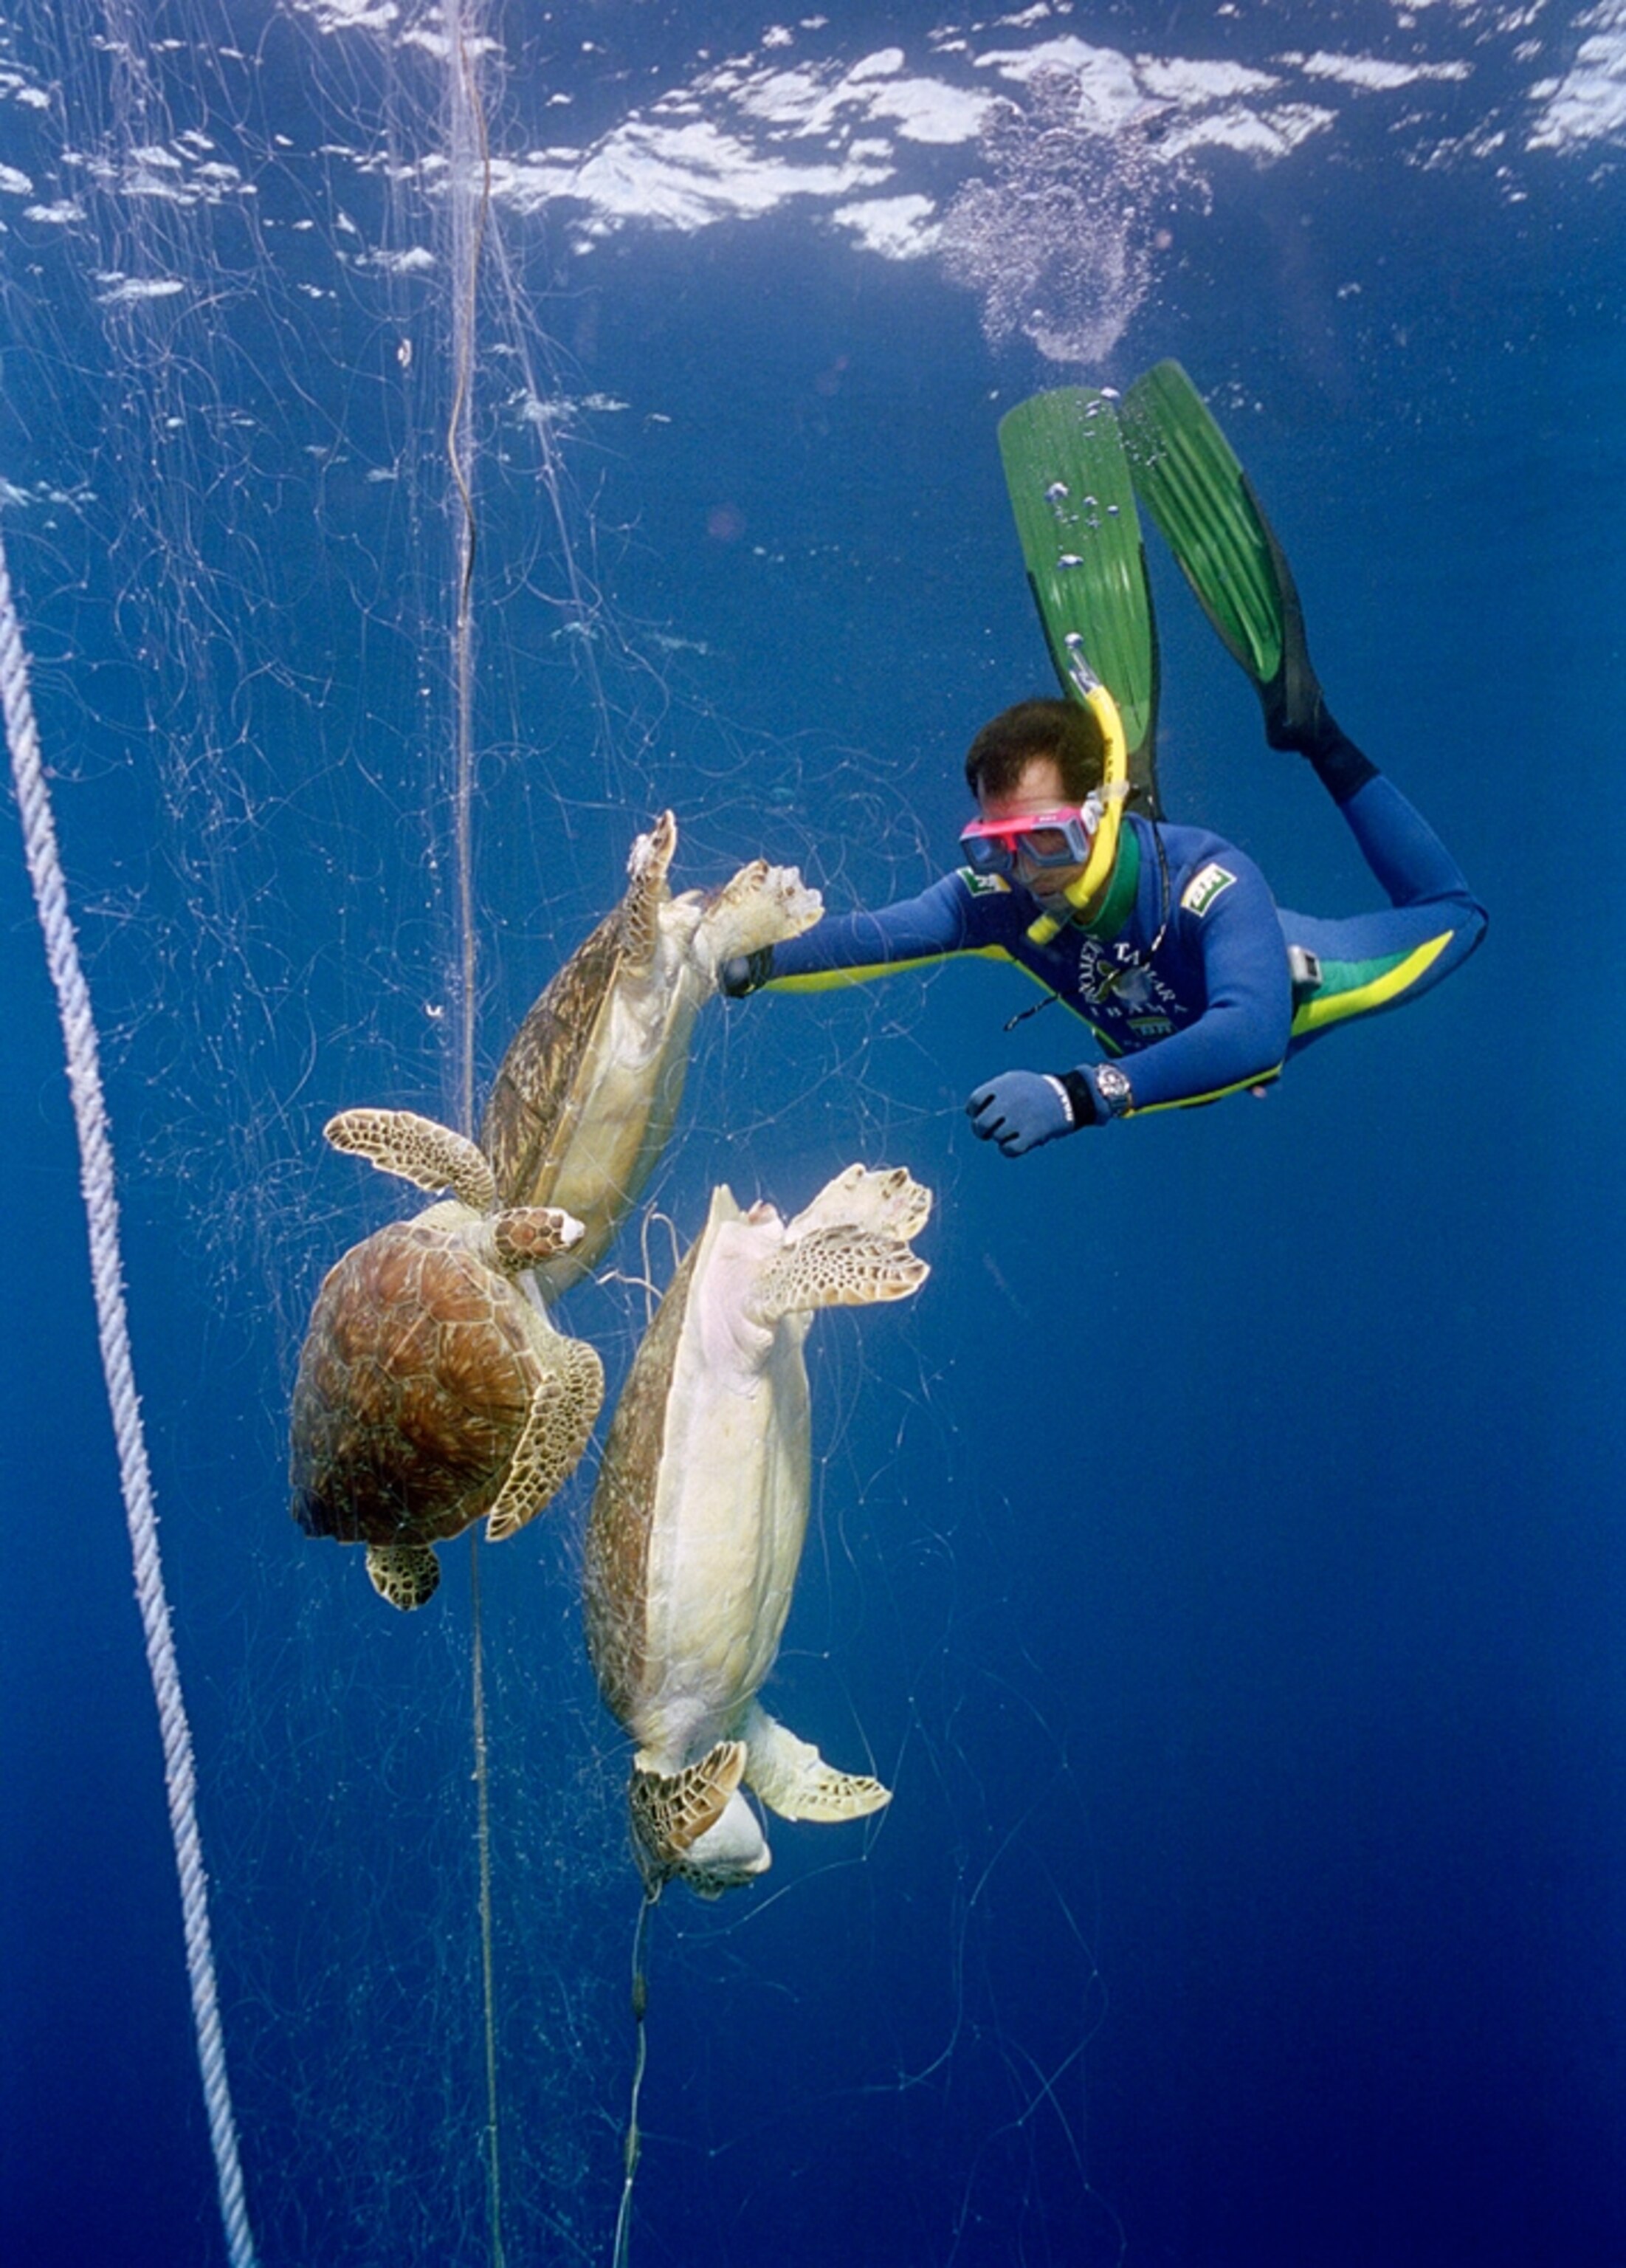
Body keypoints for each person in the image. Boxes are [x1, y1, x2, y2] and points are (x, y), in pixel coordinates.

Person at [720, 364, 1485, 1155]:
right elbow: (876, 935)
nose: (1022, 869)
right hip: (1159, 978)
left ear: (1093, 813)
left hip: (1286, 980)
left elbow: (1253, 1035)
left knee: (1458, 919)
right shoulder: (1001, 898)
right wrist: (740, 965)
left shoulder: (1211, 885)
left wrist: (1082, 1093)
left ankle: (1312, 729)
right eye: (994, 846)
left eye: (1045, 840)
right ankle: (1135, 798)